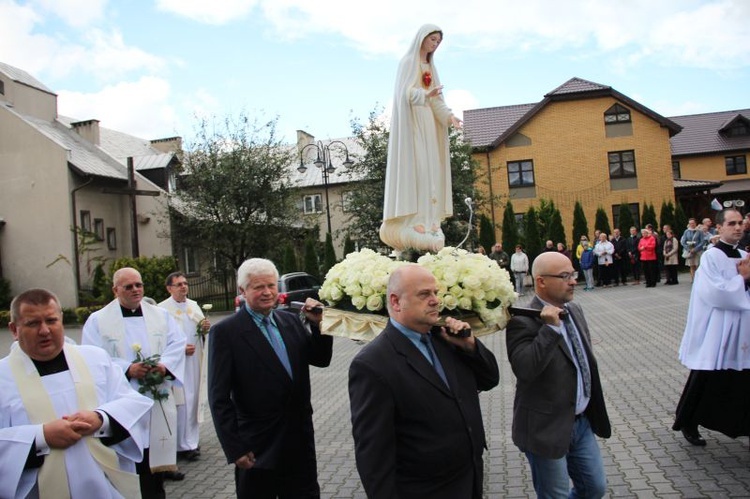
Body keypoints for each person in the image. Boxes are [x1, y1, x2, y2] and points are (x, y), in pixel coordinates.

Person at [349, 264, 499, 498]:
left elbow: (490, 379)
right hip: (424, 489)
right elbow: (374, 456)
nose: (435, 300)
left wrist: (470, 347)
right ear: (396, 302)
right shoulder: (373, 364)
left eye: (435, 293)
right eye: (424, 294)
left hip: (469, 478)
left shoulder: (447, 339)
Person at [0, 288, 153, 499]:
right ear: (14, 329)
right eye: (33, 323)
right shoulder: (2, 377)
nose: (44, 330)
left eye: (51, 320)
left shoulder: (96, 359)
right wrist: (40, 437)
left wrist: (101, 419)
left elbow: (133, 403)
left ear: (61, 321)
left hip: (104, 486)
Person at [208, 258, 333, 498]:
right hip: (257, 448)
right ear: (243, 291)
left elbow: (320, 359)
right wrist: (235, 448)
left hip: (299, 440)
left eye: (271, 285)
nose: (267, 292)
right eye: (258, 287)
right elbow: (218, 397)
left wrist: (319, 327)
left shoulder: (290, 321)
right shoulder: (226, 333)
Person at [506, 252, 611, 498]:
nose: (574, 281)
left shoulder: (574, 309)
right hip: (546, 428)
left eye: (573, 274)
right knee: (556, 495)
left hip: (581, 421)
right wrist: (550, 329)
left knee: (594, 487)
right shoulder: (523, 319)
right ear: (541, 281)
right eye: (565, 276)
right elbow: (525, 369)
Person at [82, 267, 186, 498]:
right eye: (128, 286)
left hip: (156, 397)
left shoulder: (160, 315)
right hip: (123, 399)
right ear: (115, 289)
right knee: (129, 461)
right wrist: (127, 368)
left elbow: (177, 343)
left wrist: (164, 366)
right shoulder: (98, 320)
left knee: (154, 463)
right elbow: (91, 357)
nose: (135, 290)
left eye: (138, 285)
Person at [380, 24, 462, 253]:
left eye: (438, 41)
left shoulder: (430, 67)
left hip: (429, 125)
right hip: (413, 126)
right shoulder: (408, 63)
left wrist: (448, 117)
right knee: (419, 171)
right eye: (432, 39)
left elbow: (437, 100)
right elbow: (404, 94)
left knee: (432, 175)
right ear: (422, 38)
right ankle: (414, 220)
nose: (435, 44)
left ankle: (429, 221)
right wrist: (425, 94)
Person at [673, 208, 750, 446]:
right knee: (706, 376)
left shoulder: (742, 254)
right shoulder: (711, 256)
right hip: (718, 329)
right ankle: (688, 420)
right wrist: (743, 278)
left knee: (742, 380)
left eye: (740, 223)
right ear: (720, 227)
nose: (737, 227)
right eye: (731, 223)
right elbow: (715, 292)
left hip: (742, 328)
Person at [158, 272, 210, 463]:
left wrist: (205, 328)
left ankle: (192, 441)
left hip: (195, 361)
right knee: (181, 403)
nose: (183, 287)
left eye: (185, 283)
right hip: (176, 364)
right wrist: (179, 350)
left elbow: (199, 330)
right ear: (169, 288)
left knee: (194, 399)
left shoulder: (193, 305)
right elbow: (159, 338)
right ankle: (181, 444)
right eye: (179, 284)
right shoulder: (162, 310)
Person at [680, 218, 705, 282]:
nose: (692, 224)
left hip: (698, 251)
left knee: (698, 265)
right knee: (692, 266)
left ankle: (699, 279)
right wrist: (688, 248)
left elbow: (702, 241)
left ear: (695, 223)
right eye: (690, 223)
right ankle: (693, 279)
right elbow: (683, 241)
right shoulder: (686, 231)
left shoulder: (700, 231)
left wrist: (696, 249)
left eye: (693, 223)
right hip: (690, 251)